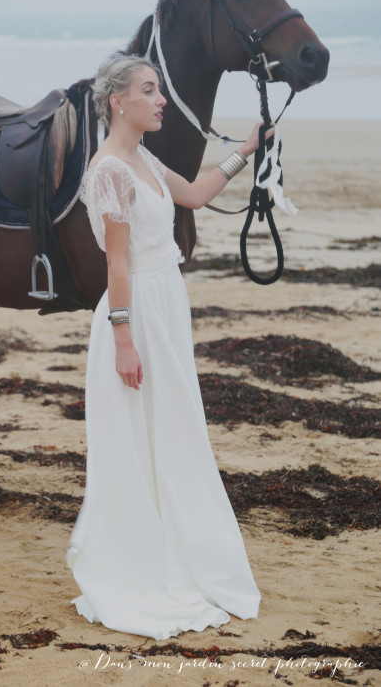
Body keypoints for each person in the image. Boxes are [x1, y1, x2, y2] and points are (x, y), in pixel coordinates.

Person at [66, 53, 274, 641]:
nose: (161, 101)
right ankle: (143, 561)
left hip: (166, 306)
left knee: (176, 429)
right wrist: (123, 339)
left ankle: (183, 549)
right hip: (136, 316)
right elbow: (116, 265)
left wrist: (247, 149)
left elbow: (198, 195)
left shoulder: (144, 159)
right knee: (144, 438)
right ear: (118, 102)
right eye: (149, 90)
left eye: (158, 90)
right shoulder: (110, 170)